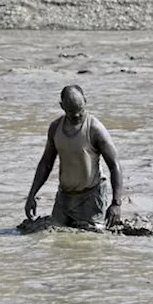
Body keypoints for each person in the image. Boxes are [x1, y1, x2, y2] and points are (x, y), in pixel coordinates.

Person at [25, 85, 124, 230]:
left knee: (91, 239)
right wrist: (32, 195)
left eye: (80, 110)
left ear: (85, 101)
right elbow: (46, 163)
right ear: (62, 107)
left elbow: (114, 165)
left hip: (91, 197)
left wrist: (116, 203)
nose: (77, 115)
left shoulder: (95, 129)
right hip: (64, 198)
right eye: (71, 112)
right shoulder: (55, 128)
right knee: (55, 237)